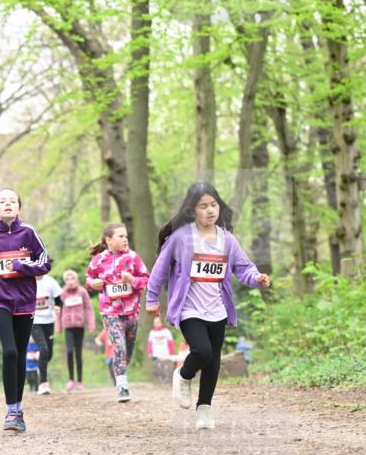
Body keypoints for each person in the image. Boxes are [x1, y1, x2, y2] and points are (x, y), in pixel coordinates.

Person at [145, 181, 270, 430]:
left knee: (213, 361)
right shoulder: (181, 238)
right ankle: (183, 375)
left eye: (214, 205)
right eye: (203, 206)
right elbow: (160, 269)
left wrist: (257, 278)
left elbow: (243, 268)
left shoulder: (227, 240)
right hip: (189, 308)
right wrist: (151, 298)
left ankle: (204, 409)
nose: (210, 210)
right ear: (192, 211)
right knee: (202, 352)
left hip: (217, 309)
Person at [0, 188, 51, 432]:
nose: (8, 204)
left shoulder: (28, 233)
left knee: (20, 352)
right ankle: (10, 410)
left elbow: (45, 262)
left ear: (18, 207)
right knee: (9, 352)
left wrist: (23, 266)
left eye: (12, 201)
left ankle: (17, 409)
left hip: (25, 301)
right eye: (2, 201)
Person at [86, 223, 149, 403]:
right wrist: (93, 284)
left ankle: (121, 371)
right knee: (119, 346)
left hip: (132, 313)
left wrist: (132, 280)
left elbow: (147, 280)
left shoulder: (133, 258)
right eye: (120, 236)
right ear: (108, 240)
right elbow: (88, 279)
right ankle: (122, 386)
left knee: (127, 352)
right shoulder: (98, 260)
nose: (125, 239)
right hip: (110, 312)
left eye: (125, 236)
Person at [57, 269, 95, 391]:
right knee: (69, 352)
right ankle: (71, 380)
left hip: (80, 325)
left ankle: (79, 381)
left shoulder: (82, 292)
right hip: (68, 326)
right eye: (67, 279)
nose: (70, 281)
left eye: (72, 279)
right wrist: (58, 326)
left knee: (78, 353)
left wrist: (91, 324)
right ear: (65, 281)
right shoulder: (62, 293)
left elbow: (89, 308)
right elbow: (59, 310)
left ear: (76, 279)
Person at [31, 272, 62, 394]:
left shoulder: (50, 281)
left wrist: (58, 306)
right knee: (43, 349)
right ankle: (43, 383)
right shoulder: (27, 282)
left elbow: (59, 299)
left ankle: (41, 360)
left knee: (48, 354)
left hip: (49, 320)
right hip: (34, 321)